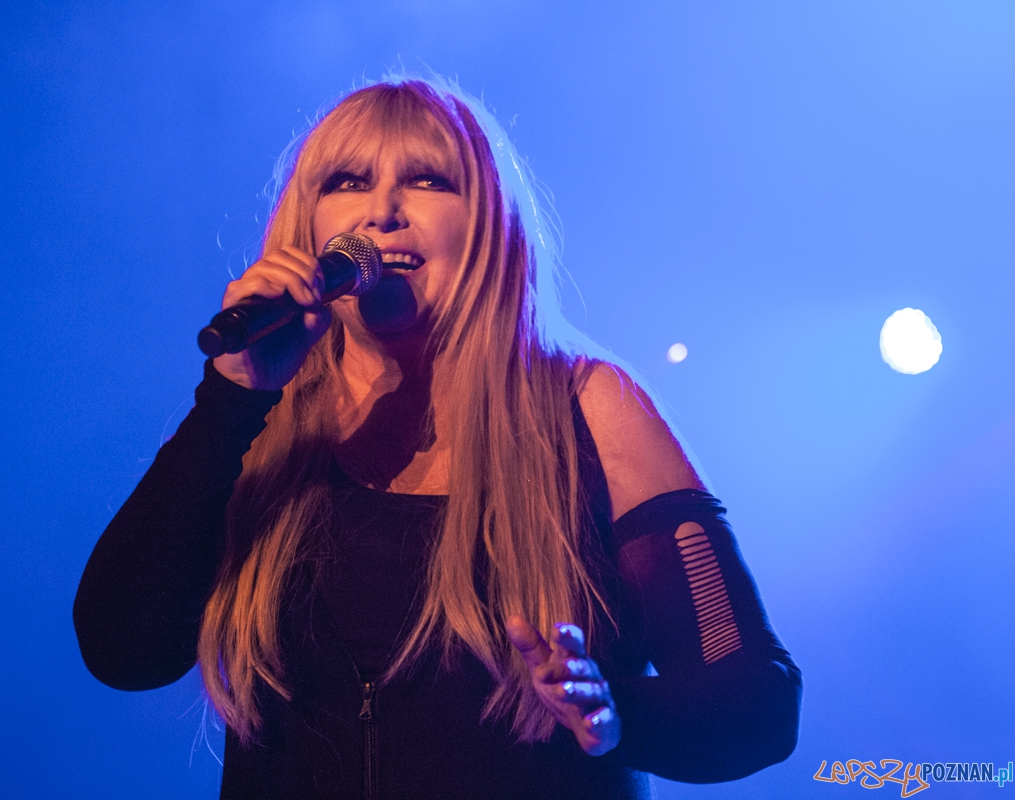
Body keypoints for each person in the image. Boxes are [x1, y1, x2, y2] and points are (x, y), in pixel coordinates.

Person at [73, 77, 801, 799]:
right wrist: (230, 400)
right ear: (309, 227)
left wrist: (611, 714)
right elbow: (122, 649)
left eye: (426, 180)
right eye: (348, 182)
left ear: (489, 224)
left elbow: (755, 705)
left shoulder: (589, 405)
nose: (381, 212)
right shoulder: (262, 421)